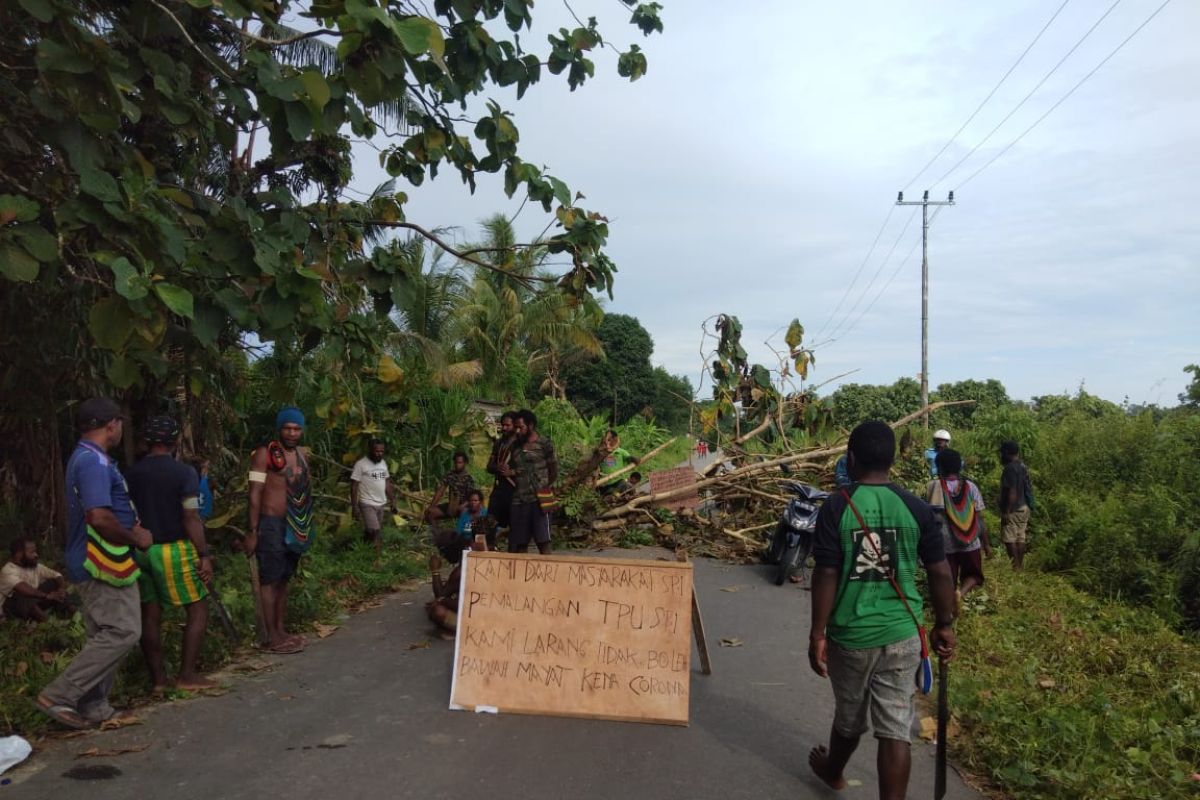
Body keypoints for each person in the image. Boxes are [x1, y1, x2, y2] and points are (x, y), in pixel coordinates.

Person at [807, 421, 956, 800]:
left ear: (851, 458)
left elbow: (826, 572)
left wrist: (817, 633)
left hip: (850, 637)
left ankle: (833, 770)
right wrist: (945, 625)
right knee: (895, 729)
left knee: (850, 717)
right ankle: (835, 771)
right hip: (903, 634)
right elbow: (940, 572)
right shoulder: (916, 507)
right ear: (893, 459)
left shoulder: (837, 506)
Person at [38, 398, 152, 730]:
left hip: (95, 559)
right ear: (111, 424)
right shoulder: (93, 463)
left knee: (102, 633)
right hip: (101, 560)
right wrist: (136, 538)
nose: (120, 429)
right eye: (119, 423)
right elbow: (99, 516)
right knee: (123, 631)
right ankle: (60, 694)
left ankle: (94, 705)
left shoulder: (90, 459)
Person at [125, 416, 216, 692]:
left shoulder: (130, 473)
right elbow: (190, 517)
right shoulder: (184, 473)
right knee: (198, 607)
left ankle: (158, 681)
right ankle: (187, 675)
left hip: (140, 551)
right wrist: (204, 553)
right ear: (175, 440)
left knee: (150, 613)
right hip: (173, 549)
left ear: (148, 442)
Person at [245, 407, 313, 654]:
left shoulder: (303, 456)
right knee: (270, 579)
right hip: (271, 523)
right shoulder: (265, 454)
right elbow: (254, 493)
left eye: (296, 429)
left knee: (284, 578)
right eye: (288, 428)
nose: (292, 433)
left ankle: (281, 629)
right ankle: (270, 636)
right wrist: (253, 531)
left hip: (295, 525)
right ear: (279, 429)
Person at [926, 449, 991, 611]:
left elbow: (928, 516)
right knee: (974, 575)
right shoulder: (970, 487)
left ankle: (947, 604)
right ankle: (960, 593)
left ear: (939, 467)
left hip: (944, 543)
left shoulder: (934, 486)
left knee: (947, 578)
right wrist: (987, 545)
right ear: (959, 467)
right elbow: (979, 518)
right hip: (970, 541)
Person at [506, 409, 557, 555]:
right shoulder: (515, 446)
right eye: (516, 427)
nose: (517, 431)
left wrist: (543, 486)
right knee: (520, 544)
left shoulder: (545, 444)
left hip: (541, 498)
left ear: (531, 426)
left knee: (544, 543)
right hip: (519, 500)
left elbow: (553, 470)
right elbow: (514, 470)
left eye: (520, 427)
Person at [426, 536, 488, 637]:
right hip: (484, 611)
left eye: (443, 554)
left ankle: (459, 632)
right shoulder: (473, 557)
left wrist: (435, 570)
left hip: (478, 618)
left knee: (437, 611)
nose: (443, 557)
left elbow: (440, 594)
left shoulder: (460, 572)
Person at [1, 538, 72, 622]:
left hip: (33, 602)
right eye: (31, 552)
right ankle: (48, 622)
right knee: (21, 594)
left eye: (35, 551)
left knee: (54, 582)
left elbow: (57, 575)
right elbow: (24, 589)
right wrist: (47, 595)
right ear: (19, 554)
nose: (36, 555)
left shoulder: (34, 566)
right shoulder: (8, 570)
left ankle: (70, 610)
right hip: (13, 609)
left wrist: (61, 589)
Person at [351, 439, 395, 557]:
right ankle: (377, 560)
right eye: (377, 451)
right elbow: (354, 486)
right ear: (370, 450)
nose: (380, 454)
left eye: (382, 451)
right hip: (367, 503)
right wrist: (354, 506)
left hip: (381, 503)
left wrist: (393, 501)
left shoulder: (383, 463)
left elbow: (387, 482)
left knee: (370, 531)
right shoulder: (361, 464)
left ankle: (363, 552)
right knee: (376, 531)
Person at [485, 412, 518, 547]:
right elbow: (489, 466)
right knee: (490, 522)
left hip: (514, 489)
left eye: (507, 425)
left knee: (514, 526)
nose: (504, 428)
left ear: (515, 426)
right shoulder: (498, 443)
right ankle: (490, 550)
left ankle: (513, 555)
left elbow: (529, 469)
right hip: (499, 488)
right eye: (502, 425)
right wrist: (496, 467)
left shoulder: (521, 445)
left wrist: (512, 472)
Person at [998, 439, 1032, 571]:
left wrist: (1006, 511)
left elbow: (1012, 491)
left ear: (1007, 452)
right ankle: (1020, 567)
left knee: (1009, 539)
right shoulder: (1023, 466)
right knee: (1020, 538)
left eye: (1002, 452)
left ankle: (1016, 567)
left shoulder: (1009, 469)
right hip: (1024, 507)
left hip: (1013, 509)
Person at [426, 451, 475, 523]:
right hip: (451, 506)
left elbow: (471, 497)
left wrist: (461, 506)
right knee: (430, 513)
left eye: (460, 463)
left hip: (463, 506)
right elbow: (440, 491)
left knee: (467, 514)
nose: (457, 465)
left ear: (465, 463)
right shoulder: (450, 474)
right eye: (456, 463)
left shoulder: (469, 478)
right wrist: (431, 506)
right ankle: (438, 531)